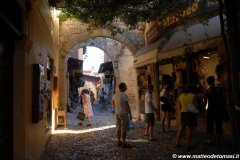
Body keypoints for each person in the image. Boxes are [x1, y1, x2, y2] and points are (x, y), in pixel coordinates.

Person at [175, 84, 198, 150]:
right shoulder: (193, 96)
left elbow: (179, 106)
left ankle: (177, 143)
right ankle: (187, 144)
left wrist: (180, 113)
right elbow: (195, 105)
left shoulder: (181, 96)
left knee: (181, 128)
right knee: (189, 129)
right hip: (190, 113)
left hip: (183, 113)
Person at [205, 76, 225, 144]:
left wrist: (205, 109)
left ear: (208, 82)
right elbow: (223, 99)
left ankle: (210, 140)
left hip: (210, 109)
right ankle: (219, 141)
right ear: (214, 81)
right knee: (219, 124)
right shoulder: (219, 89)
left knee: (209, 124)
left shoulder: (208, 90)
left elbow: (205, 101)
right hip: (218, 109)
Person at [112, 82, 132, 148]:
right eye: (125, 86)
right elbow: (127, 105)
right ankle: (124, 142)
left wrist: (116, 108)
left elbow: (113, 103)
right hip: (123, 113)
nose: (126, 87)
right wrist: (130, 113)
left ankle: (119, 141)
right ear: (123, 87)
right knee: (124, 128)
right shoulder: (124, 95)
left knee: (118, 127)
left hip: (117, 113)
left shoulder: (115, 95)